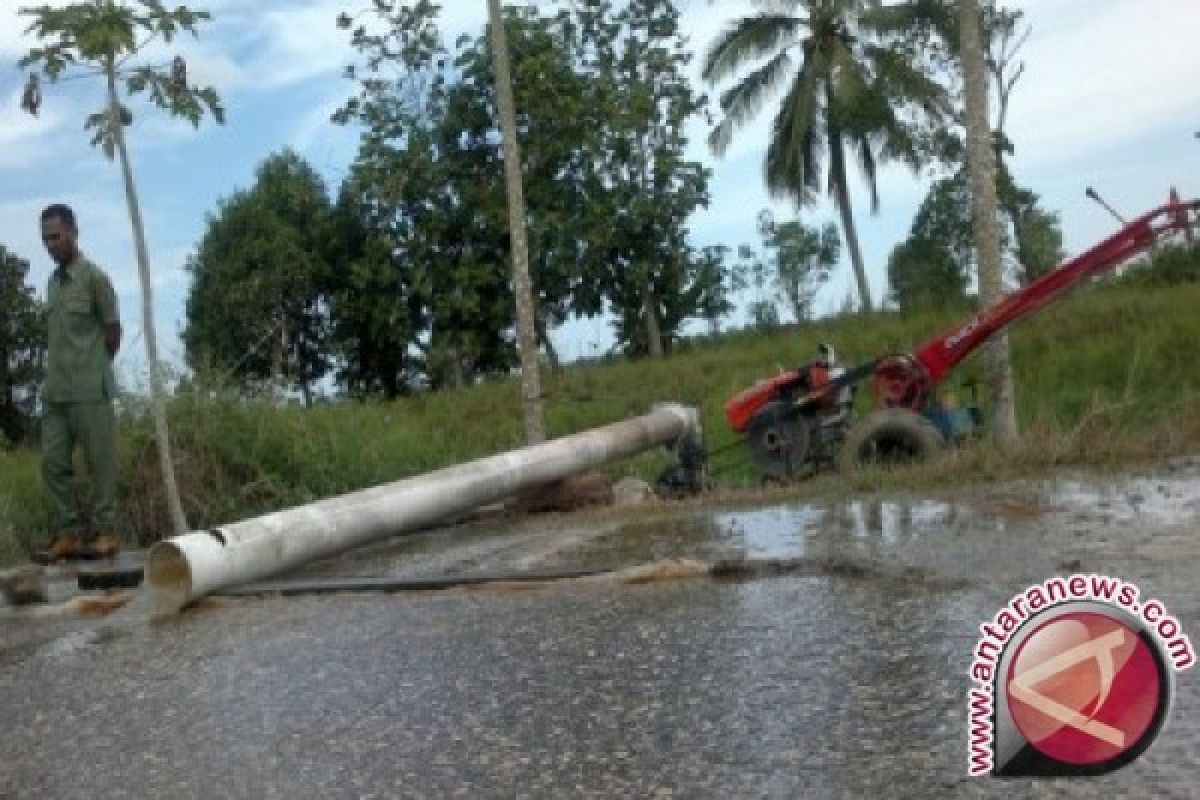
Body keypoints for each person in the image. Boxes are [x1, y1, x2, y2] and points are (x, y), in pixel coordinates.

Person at [34, 204, 122, 564]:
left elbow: (112, 331)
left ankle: (105, 534)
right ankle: (67, 535)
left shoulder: (95, 278)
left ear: (73, 232)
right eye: (45, 239)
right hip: (56, 393)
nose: (51, 245)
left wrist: (94, 367)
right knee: (53, 464)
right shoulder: (52, 284)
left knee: (101, 463)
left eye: (56, 236)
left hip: (90, 389)